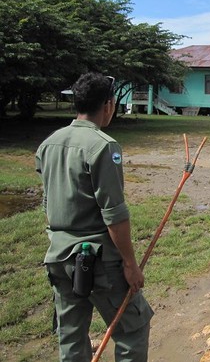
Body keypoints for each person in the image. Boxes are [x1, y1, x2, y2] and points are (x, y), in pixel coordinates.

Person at [36, 72, 153, 362]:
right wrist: (130, 264)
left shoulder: (49, 143)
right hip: (98, 261)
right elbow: (114, 213)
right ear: (108, 105)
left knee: (71, 334)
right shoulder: (103, 145)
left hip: (59, 257)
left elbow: (48, 203)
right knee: (133, 327)